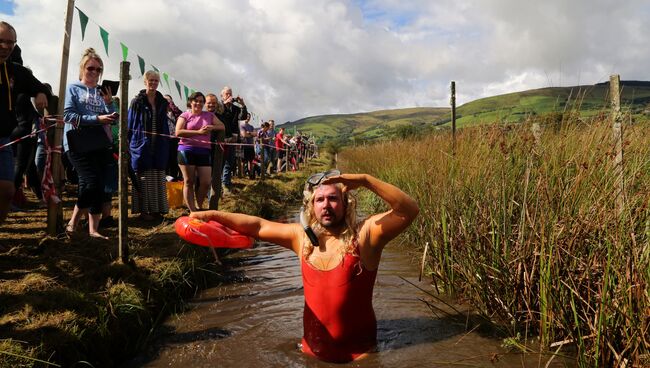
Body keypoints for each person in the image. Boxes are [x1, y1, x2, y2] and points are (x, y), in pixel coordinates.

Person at [191, 170, 419, 363]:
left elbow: (408, 211)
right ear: (310, 207)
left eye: (333, 199)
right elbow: (258, 226)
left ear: (345, 202)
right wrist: (212, 215)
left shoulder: (365, 236)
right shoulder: (301, 238)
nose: (326, 206)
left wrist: (365, 180)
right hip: (311, 356)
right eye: (319, 200)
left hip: (361, 359)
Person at [63, 48, 117, 239]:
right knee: (92, 182)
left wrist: (110, 104)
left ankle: (93, 229)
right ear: (82, 69)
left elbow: (113, 119)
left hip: (99, 142)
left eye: (98, 69)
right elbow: (68, 115)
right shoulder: (72, 88)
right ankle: (73, 222)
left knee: (98, 185)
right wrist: (97, 119)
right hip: (77, 142)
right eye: (90, 68)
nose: (94, 72)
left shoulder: (102, 92)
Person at [0, 21, 50, 224]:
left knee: (6, 189)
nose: (5, 47)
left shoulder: (16, 72)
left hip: (4, 140)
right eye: (1, 41)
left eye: (10, 43)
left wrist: (39, 93)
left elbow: (41, 87)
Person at [127, 70, 170, 220]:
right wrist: (128, 143)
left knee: (157, 176)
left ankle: (157, 209)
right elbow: (130, 124)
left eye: (156, 81)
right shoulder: (136, 101)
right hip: (140, 143)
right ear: (145, 82)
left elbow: (165, 123)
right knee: (142, 177)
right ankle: (143, 210)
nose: (153, 83)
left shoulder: (163, 102)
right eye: (150, 80)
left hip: (158, 143)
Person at [175, 91, 224, 212]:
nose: (198, 103)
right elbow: (178, 132)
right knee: (189, 181)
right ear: (191, 102)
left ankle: (199, 205)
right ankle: (192, 210)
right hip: (186, 150)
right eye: (196, 101)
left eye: (201, 101)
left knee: (206, 182)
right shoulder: (185, 115)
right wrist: (198, 132)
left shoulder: (209, 115)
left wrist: (212, 127)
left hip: (204, 151)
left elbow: (222, 126)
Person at [215, 86, 247, 194]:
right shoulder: (218, 106)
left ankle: (226, 184)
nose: (229, 95)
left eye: (230, 93)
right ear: (222, 96)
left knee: (229, 162)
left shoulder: (235, 108)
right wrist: (224, 104)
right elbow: (218, 116)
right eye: (227, 94)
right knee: (220, 162)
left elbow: (243, 117)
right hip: (221, 138)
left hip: (233, 138)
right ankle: (217, 185)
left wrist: (242, 105)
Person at [205, 93, 225, 209]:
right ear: (205, 104)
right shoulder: (200, 115)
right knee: (203, 178)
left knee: (215, 176)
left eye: (213, 103)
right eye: (209, 103)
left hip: (216, 151)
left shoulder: (220, 117)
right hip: (201, 149)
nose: (211, 105)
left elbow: (223, 128)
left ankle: (212, 204)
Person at [163, 94, 182, 181]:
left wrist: (174, 109)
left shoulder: (176, 112)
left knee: (174, 161)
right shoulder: (160, 111)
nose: (167, 102)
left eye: (169, 100)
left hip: (175, 140)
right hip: (164, 140)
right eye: (165, 100)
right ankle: (166, 181)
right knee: (165, 161)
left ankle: (174, 180)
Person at [239, 113, 255, 179]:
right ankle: (243, 175)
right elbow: (244, 135)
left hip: (251, 145)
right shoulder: (241, 125)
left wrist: (250, 133)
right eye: (247, 116)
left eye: (249, 117)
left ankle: (250, 175)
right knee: (243, 161)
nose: (248, 118)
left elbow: (255, 134)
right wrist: (251, 134)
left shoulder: (251, 126)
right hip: (244, 145)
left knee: (250, 161)